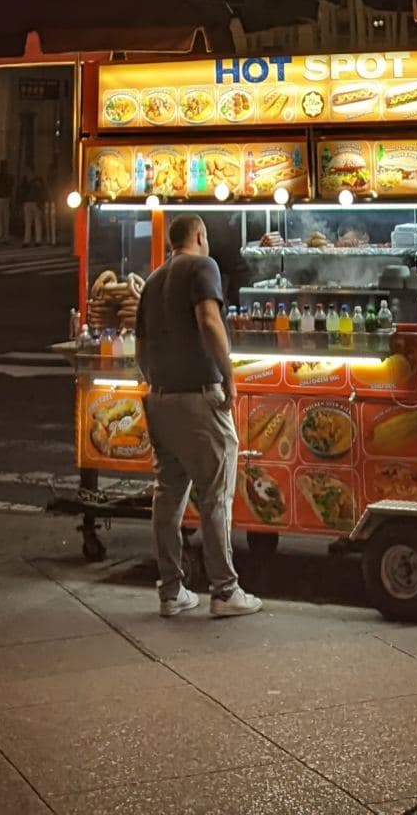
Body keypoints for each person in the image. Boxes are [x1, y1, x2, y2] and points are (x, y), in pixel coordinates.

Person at [133, 212, 260, 620]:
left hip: (160, 398)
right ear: (201, 236)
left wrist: (155, 382)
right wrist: (229, 375)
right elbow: (209, 320)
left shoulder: (152, 280)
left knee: (168, 495)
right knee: (215, 494)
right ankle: (225, 590)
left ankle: (171, 591)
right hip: (197, 399)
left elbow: (140, 347)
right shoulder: (204, 266)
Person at [20, 167, 48, 245]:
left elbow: (41, 192)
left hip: (35, 203)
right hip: (29, 203)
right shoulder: (27, 182)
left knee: (36, 222)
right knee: (29, 223)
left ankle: (37, 240)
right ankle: (28, 240)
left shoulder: (35, 182)